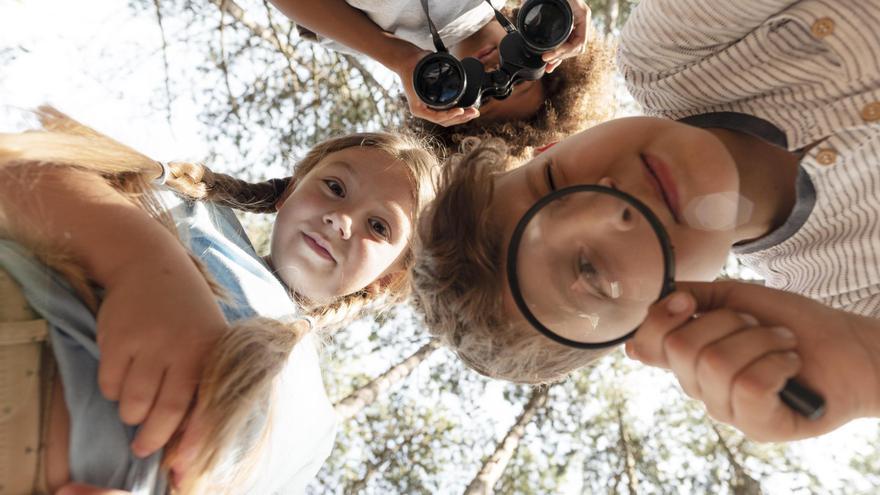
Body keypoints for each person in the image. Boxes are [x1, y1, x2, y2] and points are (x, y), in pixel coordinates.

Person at [411, 0, 880, 442]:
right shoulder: (850, 302)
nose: (611, 208)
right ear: (654, 317)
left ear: (551, 148)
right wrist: (866, 361)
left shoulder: (669, 56)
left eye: (552, 181)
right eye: (591, 271)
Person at [0, 107, 437, 493]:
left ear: (386, 280)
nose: (341, 219)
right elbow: (18, 168)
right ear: (289, 191)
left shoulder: (318, 428)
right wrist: (141, 261)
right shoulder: (196, 212)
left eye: (379, 227)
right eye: (335, 187)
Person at [268, 0, 615, 160]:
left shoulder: (380, 41)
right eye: (520, 77)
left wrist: (400, 59)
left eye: (487, 96)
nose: (494, 68)